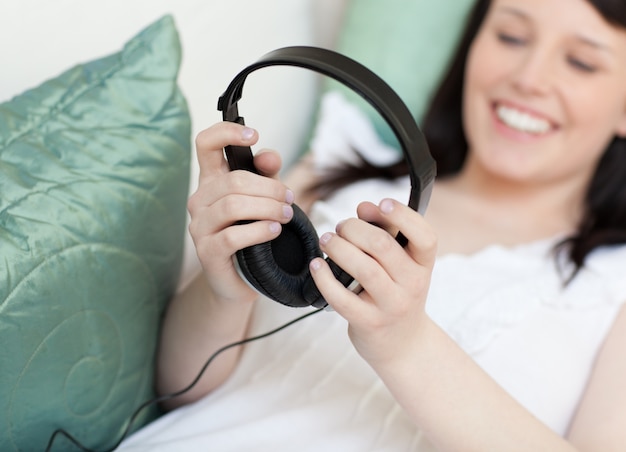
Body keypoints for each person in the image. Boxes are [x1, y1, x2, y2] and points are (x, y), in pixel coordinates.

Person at [123, 0, 626, 450]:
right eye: (510, 37)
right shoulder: (337, 170)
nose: (529, 77)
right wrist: (226, 288)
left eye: (581, 62)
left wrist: (406, 346)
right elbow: (179, 387)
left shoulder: (615, 284)